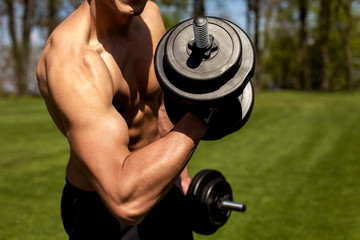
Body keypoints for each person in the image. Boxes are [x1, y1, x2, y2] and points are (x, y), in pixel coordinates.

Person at [36, 0, 209, 239]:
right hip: (104, 205)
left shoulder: (150, 16)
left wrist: (182, 176)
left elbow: (161, 103)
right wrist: (206, 112)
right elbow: (124, 200)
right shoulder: (73, 61)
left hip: (162, 186)